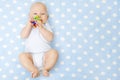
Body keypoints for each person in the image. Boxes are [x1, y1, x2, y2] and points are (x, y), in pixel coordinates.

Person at [19, 2, 58, 78]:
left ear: (47, 17)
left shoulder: (46, 26)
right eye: (35, 13)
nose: (38, 16)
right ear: (29, 16)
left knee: (54, 53)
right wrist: (29, 26)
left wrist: (41, 27)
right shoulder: (28, 26)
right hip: (30, 55)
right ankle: (34, 70)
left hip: (45, 55)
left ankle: (46, 69)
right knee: (22, 56)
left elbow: (50, 38)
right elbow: (23, 36)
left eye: (42, 14)